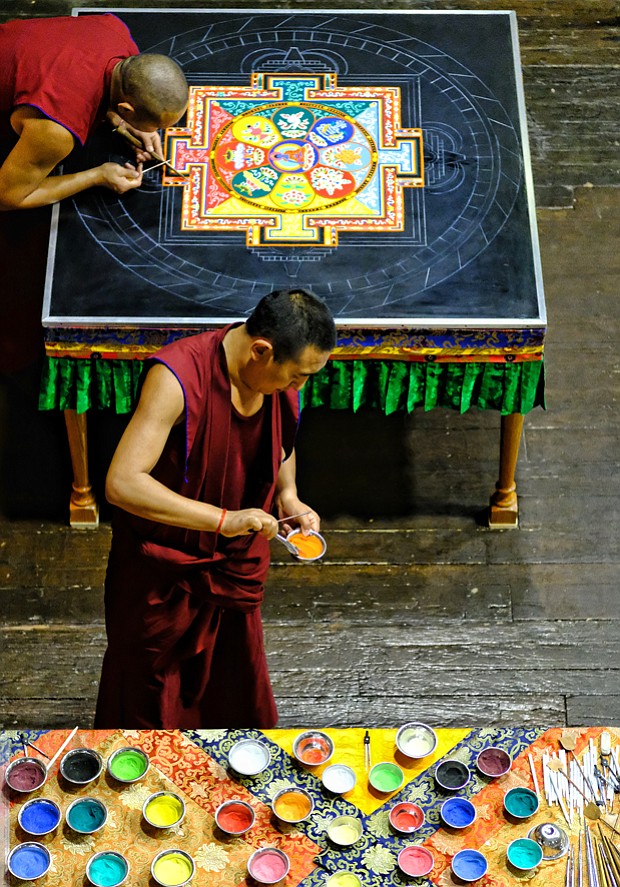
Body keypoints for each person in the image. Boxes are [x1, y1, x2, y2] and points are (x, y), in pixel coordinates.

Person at [94, 289, 336, 729]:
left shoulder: (277, 382)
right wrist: (224, 520)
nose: (299, 386)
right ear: (261, 350)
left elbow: (281, 439)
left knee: (233, 673)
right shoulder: (177, 378)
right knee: (154, 687)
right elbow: (122, 483)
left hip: (234, 562)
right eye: (297, 376)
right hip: (167, 567)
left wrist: (289, 495)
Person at [0, 13, 188, 210]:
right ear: (126, 109)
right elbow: (7, 196)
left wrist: (122, 121)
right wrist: (97, 176)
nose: (155, 131)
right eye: (157, 126)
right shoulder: (57, 130)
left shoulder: (114, 29)